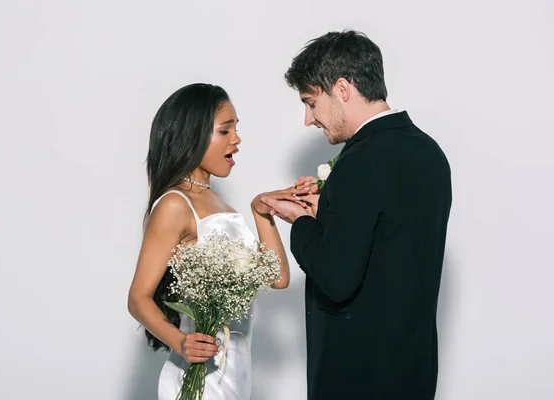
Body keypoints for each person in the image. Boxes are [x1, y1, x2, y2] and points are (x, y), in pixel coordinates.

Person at [261, 30, 452, 399]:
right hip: (413, 369)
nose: (308, 119)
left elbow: (336, 279)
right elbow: (390, 240)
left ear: (343, 89)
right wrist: (330, 211)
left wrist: (300, 222)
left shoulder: (360, 163)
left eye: (311, 102)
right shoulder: (430, 152)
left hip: (357, 375)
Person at [127, 83, 307, 400]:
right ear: (192, 135)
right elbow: (138, 298)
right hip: (199, 376)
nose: (236, 140)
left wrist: (261, 212)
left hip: (237, 373)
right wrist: (180, 341)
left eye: (236, 129)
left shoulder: (221, 205)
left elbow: (278, 278)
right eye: (225, 130)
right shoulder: (175, 205)